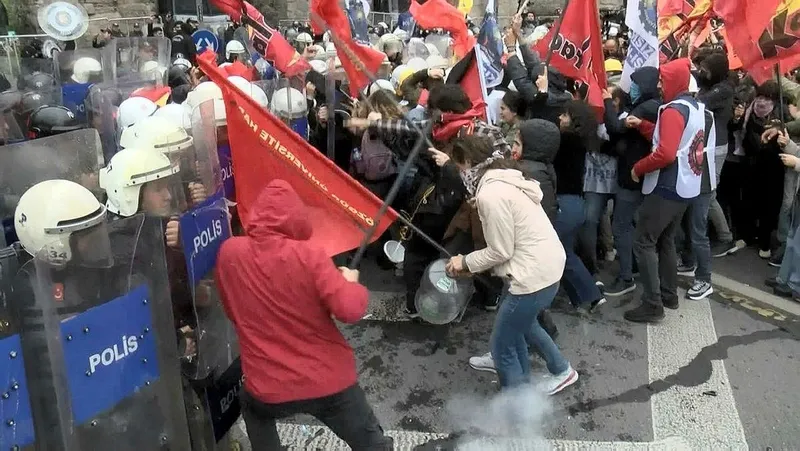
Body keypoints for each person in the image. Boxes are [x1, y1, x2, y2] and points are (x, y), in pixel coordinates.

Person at [214, 180, 394, 450]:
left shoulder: (230, 253)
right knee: (371, 444)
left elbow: (231, 311)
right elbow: (350, 310)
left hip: (267, 386)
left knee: (252, 409)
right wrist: (351, 284)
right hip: (328, 382)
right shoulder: (309, 255)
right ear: (297, 218)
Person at [446, 137, 577, 394]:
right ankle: (559, 370)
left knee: (503, 343)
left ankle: (515, 404)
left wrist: (465, 262)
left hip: (530, 276)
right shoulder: (505, 179)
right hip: (541, 266)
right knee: (524, 325)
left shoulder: (490, 195)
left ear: (470, 164)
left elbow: (500, 250)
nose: (460, 174)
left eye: (460, 167)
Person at [623, 58, 711, 323]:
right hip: (686, 186)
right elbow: (675, 139)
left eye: (663, 80)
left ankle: (653, 304)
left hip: (667, 186)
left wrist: (638, 168)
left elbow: (666, 153)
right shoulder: (695, 107)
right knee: (666, 240)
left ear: (674, 81)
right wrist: (643, 126)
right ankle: (668, 294)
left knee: (644, 241)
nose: (659, 86)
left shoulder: (673, 109)